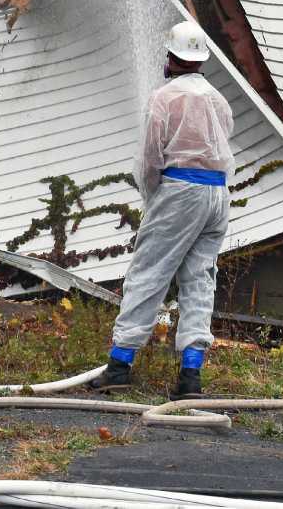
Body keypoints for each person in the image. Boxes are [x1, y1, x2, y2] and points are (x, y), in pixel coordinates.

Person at [92, 20, 235, 401]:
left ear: (171, 57)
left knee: (149, 272)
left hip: (180, 190)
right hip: (218, 194)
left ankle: (119, 366)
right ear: (201, 59)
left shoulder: (164, 98)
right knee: (200, 279)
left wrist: (152, 197)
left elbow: (150, 159)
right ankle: (191, 376)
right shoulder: (219, 101)